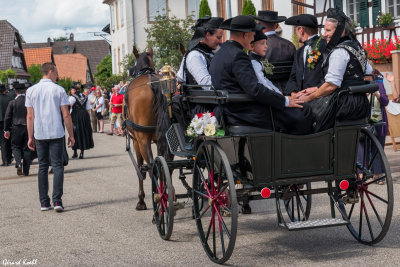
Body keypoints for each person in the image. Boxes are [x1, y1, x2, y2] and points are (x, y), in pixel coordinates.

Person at [210, 15, 313, 134]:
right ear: (245, 35)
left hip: (231, 110)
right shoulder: (238, 55)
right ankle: (298, 149)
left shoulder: (221, 52)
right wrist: (285, 101)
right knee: (302, 112)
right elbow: (254, 89)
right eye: (253, 35)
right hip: (245, 113)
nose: (253, 38)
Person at [296, 8, 373, 132]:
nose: (324, 34)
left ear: (341, 31)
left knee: (304, 114)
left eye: (328, 30)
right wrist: (315, 89)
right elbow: (367, 74)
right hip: (361, 104)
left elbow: (331, 86)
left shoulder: (339, 52)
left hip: (343, 106)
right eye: (324, 30)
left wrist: (309, 98)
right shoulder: (357, 48)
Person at [25, 62, 75, 212]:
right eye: (56, 72)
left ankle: (44, 203)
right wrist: (71, 134)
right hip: (56, 132)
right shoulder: (59, 90)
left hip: (40, 133)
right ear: (51, 71)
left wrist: (30, 136)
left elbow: (29, 116)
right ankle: (57, 201)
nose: (58, 75)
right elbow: (66, 114)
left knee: (42, 166)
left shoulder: (31, 91)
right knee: (57, 166)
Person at [252, 10, 296, 92]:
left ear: (259, 25)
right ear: (277, 26)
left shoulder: (256, 46)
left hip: (267, 90)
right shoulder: (290, 45)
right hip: (288, 89)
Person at [284, 14, 327, 96]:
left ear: (301, 30)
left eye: (296, 30)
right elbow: (293, 76)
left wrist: (317, 88)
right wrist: (294, 94)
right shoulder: (299, 52)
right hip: (300, 98)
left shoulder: (325, 46)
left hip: (319, 97)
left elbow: (331, 76)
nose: (296, 34)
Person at [177, 16, 224, 88]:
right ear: (207, 35)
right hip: (202, 99)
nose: (221, 42)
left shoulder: (209, 52)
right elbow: (207, 85)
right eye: (218, 37)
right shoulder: (195, 56)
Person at [3, 82, 31, 176]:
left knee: (15, 146)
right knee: (27, 148)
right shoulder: (29, 102)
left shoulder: (12, 102)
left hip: (16, 127)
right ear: (25, 91)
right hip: (28, 127)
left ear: (15, 92)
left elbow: (7, 117)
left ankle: (18, 163)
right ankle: (26, 170)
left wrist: (6, 130)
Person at [68, 84, 94, 159]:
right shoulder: (85, 97)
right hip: (84, 116)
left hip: (75, 116)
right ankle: (82, 153)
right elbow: (88, 109)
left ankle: (75, 152)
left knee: (75, 132)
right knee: (83, 132)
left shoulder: (72, 97)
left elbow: (68, 106)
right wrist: (88, 119)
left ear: (74, 90)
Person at [0, 84, 12, 166]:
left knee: (3, 141)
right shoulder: (8, 98)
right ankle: (7, 159)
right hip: (5, 121)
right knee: (5, 141)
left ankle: (5, 160)